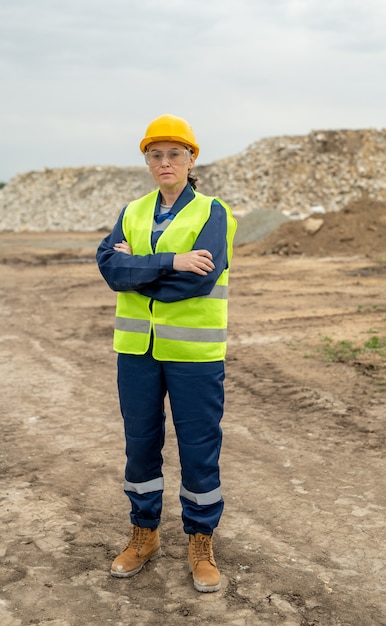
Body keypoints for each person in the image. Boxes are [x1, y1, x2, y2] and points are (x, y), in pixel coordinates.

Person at [96, 114, 237, 593]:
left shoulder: (212, 212)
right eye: (155, 154)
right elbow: (109, 267)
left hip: (194, 354)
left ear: (191, 158)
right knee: (140, 443)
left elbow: (198, 280)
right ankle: (144, 533)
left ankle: (200, 541)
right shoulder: (132, 211)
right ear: (147, 160)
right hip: (137, 351)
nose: (164, 162)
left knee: (199, 448)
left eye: (175, 153)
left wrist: (138, 265)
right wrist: (170, 260)